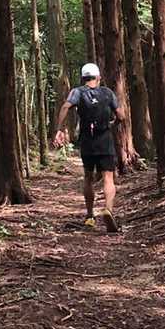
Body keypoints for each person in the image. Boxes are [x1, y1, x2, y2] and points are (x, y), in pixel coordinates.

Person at [53, 63, 123, 233]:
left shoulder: (78, 92)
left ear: (83, 78)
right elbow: (121, 115)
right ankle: (108, 210)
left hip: (87, 140)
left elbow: (65, 106)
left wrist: (59, 130)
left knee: (88, 177)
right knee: (108, 178)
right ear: (98, 77)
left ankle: (90, 215)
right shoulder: (107, 92)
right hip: (105, 139)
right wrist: (114, 123)